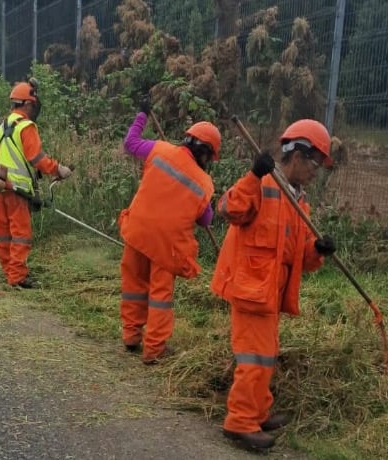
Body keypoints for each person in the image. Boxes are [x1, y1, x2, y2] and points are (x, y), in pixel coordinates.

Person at [210, 119, 337, 450]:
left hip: (269, 292)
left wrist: (317, 249)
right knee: (254, 358)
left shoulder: (298, 202)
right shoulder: (263, 184)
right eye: (314, 164)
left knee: (266, 356)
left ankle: (257, 411)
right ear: (297, 155)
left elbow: (300, 257)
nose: (315, 173)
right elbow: (228, 208)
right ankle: (240, 422)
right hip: (250, 288)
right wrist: (253, 176)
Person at [118, 97, 220, 365]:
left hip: (137, 232)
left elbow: (130, 143)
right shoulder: (204, 183)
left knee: (133, 286)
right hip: (167, 247)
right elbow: (206, 220)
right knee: (159, 297)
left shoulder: (159, 150)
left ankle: (131, 335)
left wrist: (142, 114)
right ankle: (154, 349)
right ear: (206, 154)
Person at [0, 79, 73, 288]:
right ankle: (17, 277)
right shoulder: (26, 126)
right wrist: (58, 169)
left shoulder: (2, 128)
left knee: (4, 234)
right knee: (21, 234)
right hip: (18, 190)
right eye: (34, 105)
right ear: (28, 104)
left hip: (1, 187)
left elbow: (2, 155)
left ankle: (9, 271)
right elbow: (37, 158)